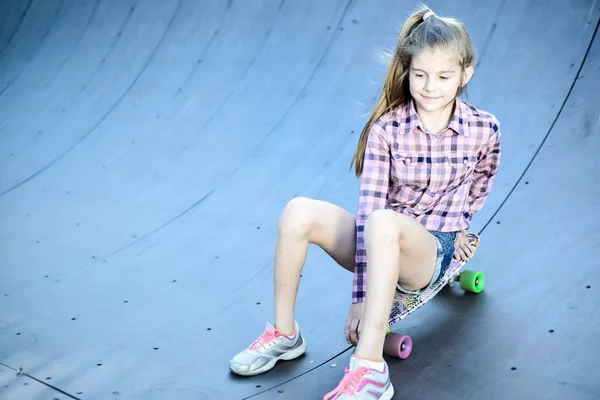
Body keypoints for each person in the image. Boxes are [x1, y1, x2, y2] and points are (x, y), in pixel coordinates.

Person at [229, 5, 501, 399]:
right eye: (420, 75)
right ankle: (285, 333)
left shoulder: (483, 128)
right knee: (298, 211)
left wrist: (462, 224)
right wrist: (361, 297)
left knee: (384, 223)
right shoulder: (387, 129)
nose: (430, 86)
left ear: (465, 75)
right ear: (408, 71)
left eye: (444, 77)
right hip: (380, 237)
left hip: (431, 250)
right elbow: (371, 207)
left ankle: (371, 367)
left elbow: (482, 179)